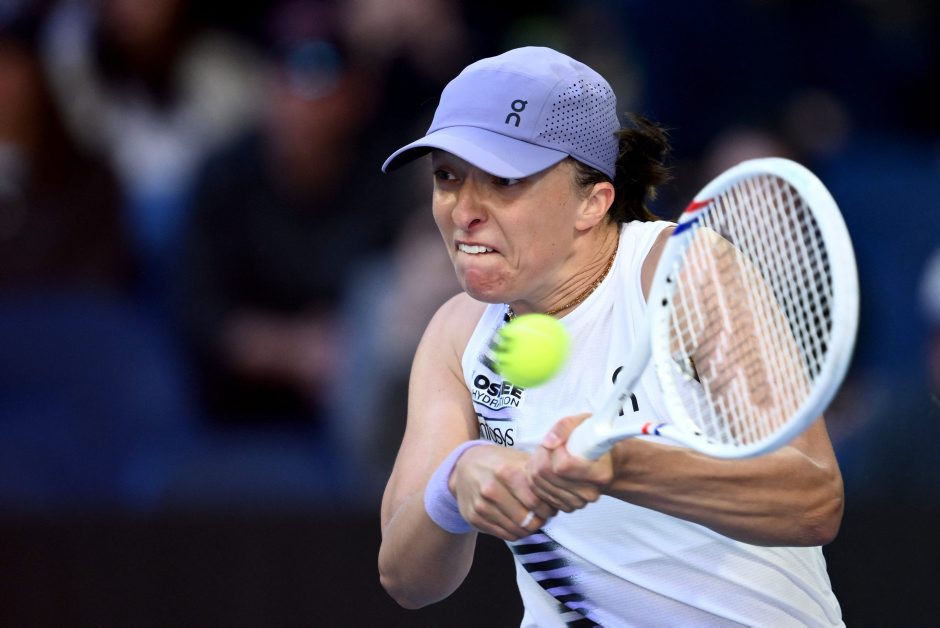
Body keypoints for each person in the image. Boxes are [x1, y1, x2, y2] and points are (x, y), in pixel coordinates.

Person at [377, 46, 844, 625]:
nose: (462, 210)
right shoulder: (455, 334)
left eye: (504, 180)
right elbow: (405, 580)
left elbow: (813, 500)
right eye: (447, 176)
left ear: (593, 202)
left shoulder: (685, 273)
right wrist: (454, 483)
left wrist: (621, 466)